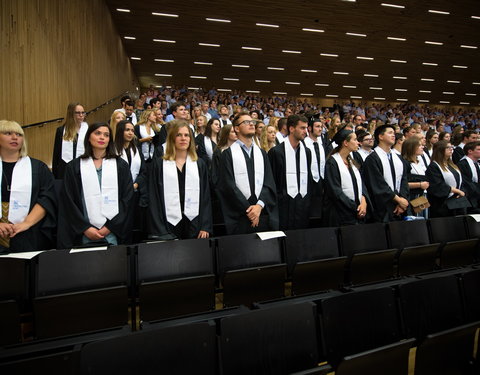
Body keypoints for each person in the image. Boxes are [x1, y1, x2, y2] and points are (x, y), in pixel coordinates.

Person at [57, 123, 134, 248]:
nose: (102, 137)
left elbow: (127, 199)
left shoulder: (121, 166)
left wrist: (110, 227)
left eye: (106, 135)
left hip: (113, 232)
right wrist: (85, 228)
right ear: (88, 137)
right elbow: (69, 201)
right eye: (97, 133)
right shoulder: (74, 167)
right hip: (84, 232)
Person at [147, 120, 212, 240]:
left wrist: (205, 225)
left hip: (194, 224)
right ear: (172, 139)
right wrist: (160, 229)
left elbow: (205, 196)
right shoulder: (159, 164)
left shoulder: (199, 164)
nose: (183, 138)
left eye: (187, 135)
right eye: (179, 135)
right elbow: (154, 198)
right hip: (167, 224)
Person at [216, 112, 278, 234]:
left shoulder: (262, 153)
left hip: (262, 214)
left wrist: (259, 206)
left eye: (252, 122)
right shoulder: (227, 155)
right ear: (237, 128)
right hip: (239, 216)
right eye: (246, 122)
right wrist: (251, 211)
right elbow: (228, 185)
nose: (251, 124)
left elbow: (269, 182)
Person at [0, 120, 56, 253]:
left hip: (29, 233)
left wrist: (26, 223)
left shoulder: (38, 168)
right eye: (8, 133)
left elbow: (47, 198)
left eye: (19, 134)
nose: (15, 137)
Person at [269, 114, 312, 230]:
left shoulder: (307, 152)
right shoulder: (276, 152)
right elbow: (272, 181)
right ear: (291, 129)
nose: (305, 132)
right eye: (302, 128)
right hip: (283, 205)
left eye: (306, 128)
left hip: (302, 204)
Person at [363, 124, 410, 222]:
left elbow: (404, 180)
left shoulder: (398, 158)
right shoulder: (372, 159)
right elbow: (377, 184)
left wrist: (402, 200)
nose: (393, 135)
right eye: (390, 133)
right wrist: (398, 200)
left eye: (394, 133)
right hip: (382, 208)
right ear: (380, 136)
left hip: (399, 207)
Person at [323, 127, 368, 226]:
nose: (358, 143)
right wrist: (355, 206)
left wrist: (363, 203)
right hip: (340, 214)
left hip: (356, 212)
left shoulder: (353, 161)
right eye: (355, 140)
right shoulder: (332, 163)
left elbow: (361, 185)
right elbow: (335, 191)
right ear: (346, 143)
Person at [114, 120, 148, 241]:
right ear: (120, 131)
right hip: (118, 195)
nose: (130, 133)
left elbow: (144, 171)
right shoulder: (112, 150)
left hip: (135, 193)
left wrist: (136, 184)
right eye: (127, 130)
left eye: (132, 130)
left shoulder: (136, 149)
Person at [426, 140, 468, 218]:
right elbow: (437, 185)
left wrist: (461, 191)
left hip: (457, 202)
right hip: (443, 204)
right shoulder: (434, 166)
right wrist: (456, 191)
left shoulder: (452, 164)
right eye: (448, 148)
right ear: (440, 150)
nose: (451, 149)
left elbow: (460, 180)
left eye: (451, 147)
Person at [52, 102, 89, 179]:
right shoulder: (61, 131)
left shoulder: (88, 130)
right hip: (65, 167)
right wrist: (54, 174)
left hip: (83, 167)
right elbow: (56, 154)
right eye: (78, 113)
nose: (81, 115)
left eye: (83, 113)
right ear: (71, 114)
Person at [401, 136, 430, 218]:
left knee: (423, 217)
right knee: (416, 219)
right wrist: (419, 185)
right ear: (412, 148)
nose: (422, 147)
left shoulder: (419, 162)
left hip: (422, 196)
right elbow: (403, 183)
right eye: (419, 145)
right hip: (413, 196)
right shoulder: (405, 163)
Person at [304, 117, 326, 222]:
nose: (320, 129)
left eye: (321, 127)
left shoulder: (321, 145)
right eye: (317, 126)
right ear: (309, 128)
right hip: (309, 181)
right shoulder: (304, 144)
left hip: (321, 181)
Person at [456, 141, 480, 213]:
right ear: (470, 151)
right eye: (478, 149)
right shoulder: (462, 164)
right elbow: (466, 183)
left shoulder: (477, 164)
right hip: (469, 198)